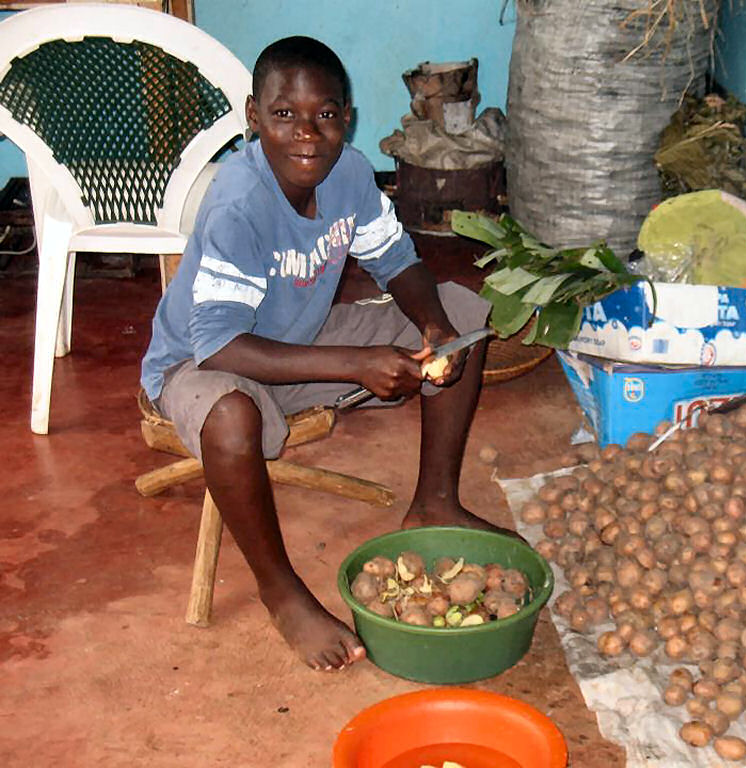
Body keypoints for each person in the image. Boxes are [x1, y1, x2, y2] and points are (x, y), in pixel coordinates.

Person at [141, 36, 507, 672]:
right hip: (201, 366)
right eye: (285, 115)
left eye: (327, 115)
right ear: (254, 117)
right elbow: (222, 344)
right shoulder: (239, 201)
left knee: (465, 316)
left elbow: (397, 260)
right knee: (231, 416)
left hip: (296, 343)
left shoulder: (351, 173)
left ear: (348, 116)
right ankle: (281, 592)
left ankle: (436, 502)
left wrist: (432, 326)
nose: (308, 134)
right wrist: (353, 364)